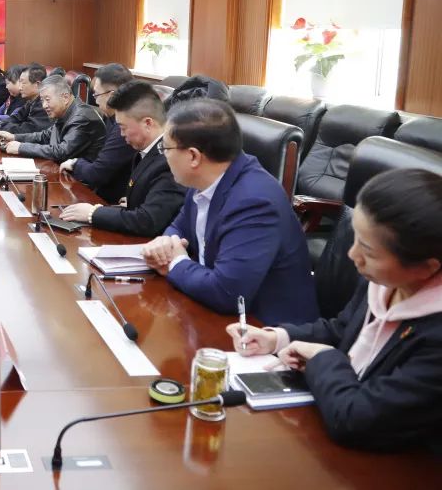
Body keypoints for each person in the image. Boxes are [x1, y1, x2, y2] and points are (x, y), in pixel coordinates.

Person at [227, 169, 442, 455]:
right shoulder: (385, 281)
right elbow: (343, 329)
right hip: (329, 419)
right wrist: (278, 338)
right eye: (355, 239)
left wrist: (322, 358)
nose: (352, 255)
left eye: (369, 251)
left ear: (427, 267)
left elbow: (356, 420)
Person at [140, 99, 318, 324]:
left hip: (265, 329)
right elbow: (178, 227)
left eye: (165, 148)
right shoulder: (204, 179)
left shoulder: (254, 202)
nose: (163, 155)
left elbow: (228, 294)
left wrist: (175, 263)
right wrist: (165, 244)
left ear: (193, 156)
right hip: (213, 310)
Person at [60, 81, 185, 237]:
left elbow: (148, 221)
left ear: (147, 123)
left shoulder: (170, 159)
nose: (121, 134)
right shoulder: (146, 151)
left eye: (123, 127)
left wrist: (93, 213)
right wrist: (133, 202)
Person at [60, 63, 135, 203]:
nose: (94, 100)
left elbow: (97, 174)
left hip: (111, 202)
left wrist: (75, 164)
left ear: (112, 95)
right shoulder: (112, 118)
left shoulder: (124, 127)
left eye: (97, 94)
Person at [0, 75, 105, 163]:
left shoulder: (82, 117)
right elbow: (45, 136)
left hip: (81, 181)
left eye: (47, 99)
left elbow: (62, 152)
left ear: (65, 97)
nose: (44, 105)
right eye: (42, 100)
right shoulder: (65, 112)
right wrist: (14, 137)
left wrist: (21, 147)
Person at [0, 64, 52, 135]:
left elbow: (28, 130)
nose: (20, 87)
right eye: (20, 82)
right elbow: (16, 118)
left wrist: (0, 126)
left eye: (23, 83)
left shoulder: (44, 105)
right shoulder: (31, 101)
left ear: (38, 84)